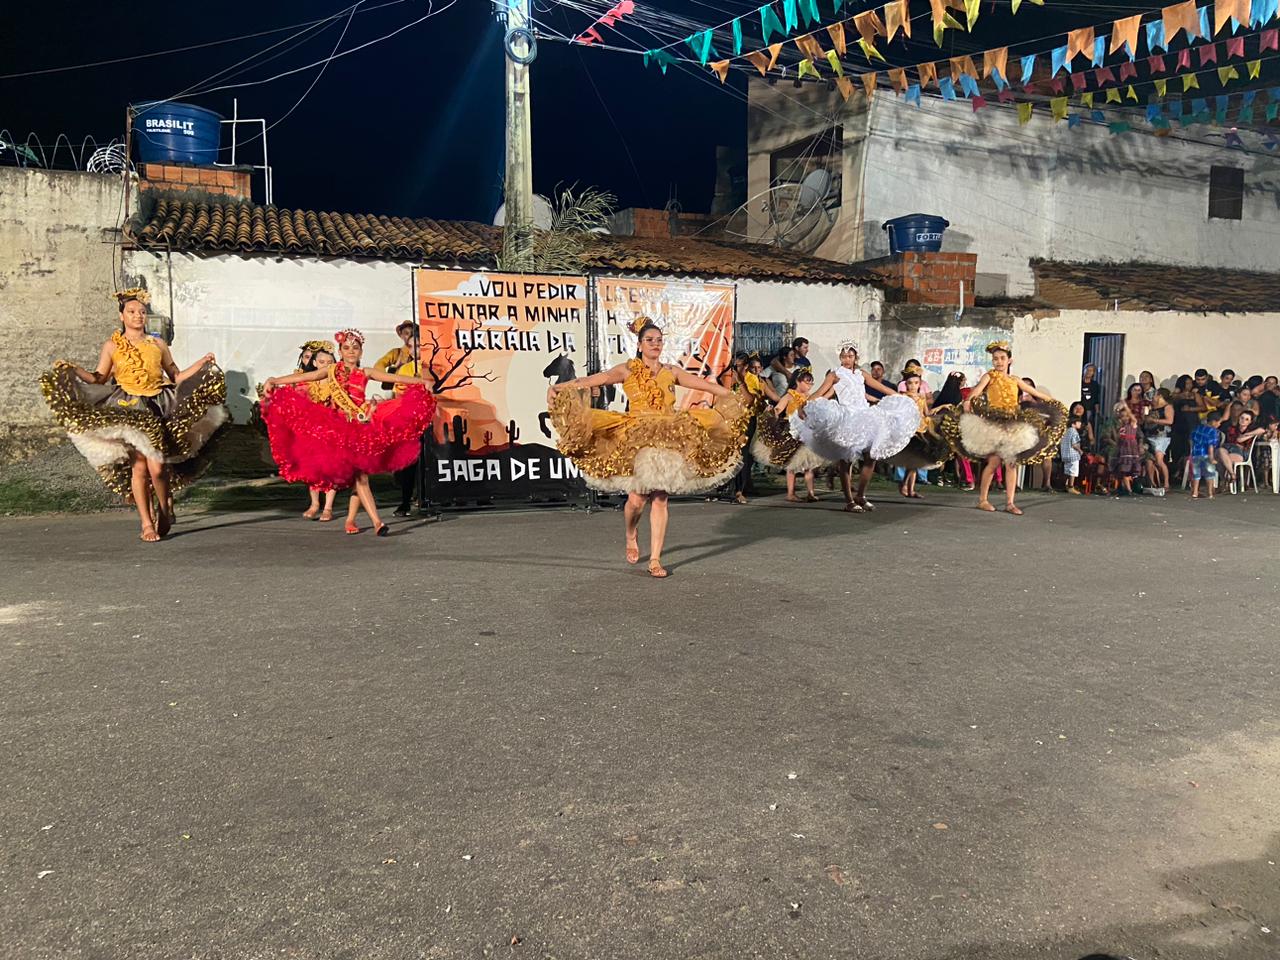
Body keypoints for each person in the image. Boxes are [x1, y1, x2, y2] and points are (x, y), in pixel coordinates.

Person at [547, 317, 746, 579]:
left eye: (659, 340)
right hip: (637, 436)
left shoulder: (672, 371)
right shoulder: (627, 369)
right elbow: (596, 379)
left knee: (661, 498)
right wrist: (561, 386)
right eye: (650, 340)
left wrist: (733, 396)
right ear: (640, 344)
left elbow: (707, 386)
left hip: (668, 436)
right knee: (637, 500)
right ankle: (631, 533)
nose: (655, 344)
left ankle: (655, 559)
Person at [39, 287, 227, 542]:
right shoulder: (111, 346)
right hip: (129, 407)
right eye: (132, 311)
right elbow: (98, 378)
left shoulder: (158, 344)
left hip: (159, 405)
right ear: (122, 316)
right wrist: (74, 369)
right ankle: (146, 523)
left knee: (157, 468)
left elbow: (176, 376)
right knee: (139, 467)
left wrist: (201, 363)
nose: (138, 316)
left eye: (142, 312)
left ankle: (163, 509)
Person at [261, 328, 437, 537]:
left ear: (361, 352)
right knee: (357, 478)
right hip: (337, 431)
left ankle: (373, 522)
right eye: (346, 348)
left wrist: (422, 382)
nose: (351, 351)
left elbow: (395, 377)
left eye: (355, 348)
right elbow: (310, 375)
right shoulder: (331, 370)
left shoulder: (366, 372)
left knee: (360, 478)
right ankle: (357, 520)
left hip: (359, 430)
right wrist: (275, 380)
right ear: (340, 351)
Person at [937, 341, 1065, 515]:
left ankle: (1010, 503)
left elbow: (1034, 393)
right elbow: (977, 390)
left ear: (1009, 360)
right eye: (995, 358)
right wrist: (968, 400)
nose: (999, 362)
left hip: (1011, 425)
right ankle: (983, 500)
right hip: (994, 424)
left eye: (1002, 358)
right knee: (994, 462)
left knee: (1011, 464)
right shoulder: (989, 376)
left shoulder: (1015, 380)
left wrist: (1054, 402)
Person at [792, 341, 920, 513]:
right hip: (846, 417)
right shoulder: (835, 374)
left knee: (871, 456)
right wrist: (803, 405)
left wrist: (901, 397)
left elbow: (881, 388)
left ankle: (860, 495)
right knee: (846, 460)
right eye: (844, 356)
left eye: (850, 356)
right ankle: (849, 500)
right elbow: (820, 392)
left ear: (856, 357)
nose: (847, 359)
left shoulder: (861, 374)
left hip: (865, 416)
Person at [372, 320, 429, 517]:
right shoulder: (403, 366)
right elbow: (397, 394)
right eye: (410, 345)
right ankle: (405, 501)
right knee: (408, 461)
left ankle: (425, 497)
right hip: (409, 420)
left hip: (432, 418)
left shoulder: (433, 366)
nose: (413, 349)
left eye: (418, 345)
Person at [298, 344, 340, 522]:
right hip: (311, 430)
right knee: (312, 468)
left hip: (332, 429)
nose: (326, 365)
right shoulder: (306, 382)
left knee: (331, 468)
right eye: (322, 362)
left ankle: (328, 507)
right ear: (315, 363)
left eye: (330, 362)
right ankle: (315, 503)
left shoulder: (338, 383)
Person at [774, 369, 820, 502]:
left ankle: (811, 492)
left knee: (809, 464)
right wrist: (774, 413)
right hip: (792, 433)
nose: (809, 385)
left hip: (806, 433)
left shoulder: (809, 397)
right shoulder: (789, 396)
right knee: (792, 465)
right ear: (798, 382)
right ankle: (790, 493)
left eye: (811, 383)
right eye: (807, 382)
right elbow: (778, 408)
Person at [1219, 409, 1264, 491]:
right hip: (1229, 449)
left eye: (1246, 419)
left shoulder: (1251, 431)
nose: (1243, 420)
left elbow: (1262, 430)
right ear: (1239, 418)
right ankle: (1232, 474)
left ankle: (1225, 481)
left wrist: (1248, 435)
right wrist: (1240, 440)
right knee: (1221, 451)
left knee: (1222, 459)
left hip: (1242, 454)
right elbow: (1235, 440)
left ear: (1250, 422)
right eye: (1242, 418)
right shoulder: (1232, 428)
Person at [1169, 374, 1206, 469]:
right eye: (1187, 383)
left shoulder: (1195, 395)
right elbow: (1170, 402)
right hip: (1178, 422)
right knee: (1178, 445)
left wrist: (1191, 409)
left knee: (1190, 445)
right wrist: (1177, 393)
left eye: (1190, 383)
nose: (1189, 385)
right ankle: (1177, 468)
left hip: (1192, 422)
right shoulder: (1176, 396)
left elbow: (1203, 407)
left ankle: (1190, 468)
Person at [1143, 389, 1173, 495]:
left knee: (1159, 461)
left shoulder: (1167, 407)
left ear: (1160, 396)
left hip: (1161, 436)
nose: (1153, 397)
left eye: (1155, 395)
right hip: (1150, 434)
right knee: (1150, 459)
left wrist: (1154, 420)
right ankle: (1152, 483)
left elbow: (1170, 421)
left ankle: (1166, 483)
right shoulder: (1152, 407)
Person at [1189, 409, 1224, 500]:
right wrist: (1212, 458)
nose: (1219, 424)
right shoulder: (1213, 431)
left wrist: (1191, 452)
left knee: (1196, 474)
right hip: (1206, 455)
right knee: (1209, 474)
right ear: (1213, 421)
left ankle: (1195, 492)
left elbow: (1191, 440)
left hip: (1195, 454)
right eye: (1219, 422)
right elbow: (1211, 445)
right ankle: (1210, 493)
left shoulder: (1197, 428)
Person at [1111, 402, 1143, 496]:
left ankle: (1132, 488)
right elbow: (1118, 439)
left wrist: (1125, 406)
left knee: (1131, 470)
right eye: (1123, 417)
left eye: (1126, 416)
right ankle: (1128, 490)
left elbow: (1133, 418)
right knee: (1124, 470)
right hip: (1123, 450)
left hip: (1131, 449)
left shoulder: (1132, 425)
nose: (1125, 418)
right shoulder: (1121, 428)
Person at [1079, 364, 1103, 446]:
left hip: (1089, 409)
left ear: (1093, 373)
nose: (1089, 372)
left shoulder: (1094, 384)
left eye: (1091, 370)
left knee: (1088, 425)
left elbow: (1096, 399)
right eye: (1087, 370)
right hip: (1079, 407)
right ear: (1084, 370)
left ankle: (1088, 443)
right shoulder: (1079, 382)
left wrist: (1097, 411)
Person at [1060, 412, 1084, 494]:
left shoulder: (1066, 431)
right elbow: (1074, 444)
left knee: (1067, 470)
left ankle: (1065, 485)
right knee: (1073, 471)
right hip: (1073, 455)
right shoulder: (1074, 432)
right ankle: (1071, 486)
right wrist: (1080, 450)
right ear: (1073, 424)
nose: (1080, 424)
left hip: (1065, 454)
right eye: (1078, 422)